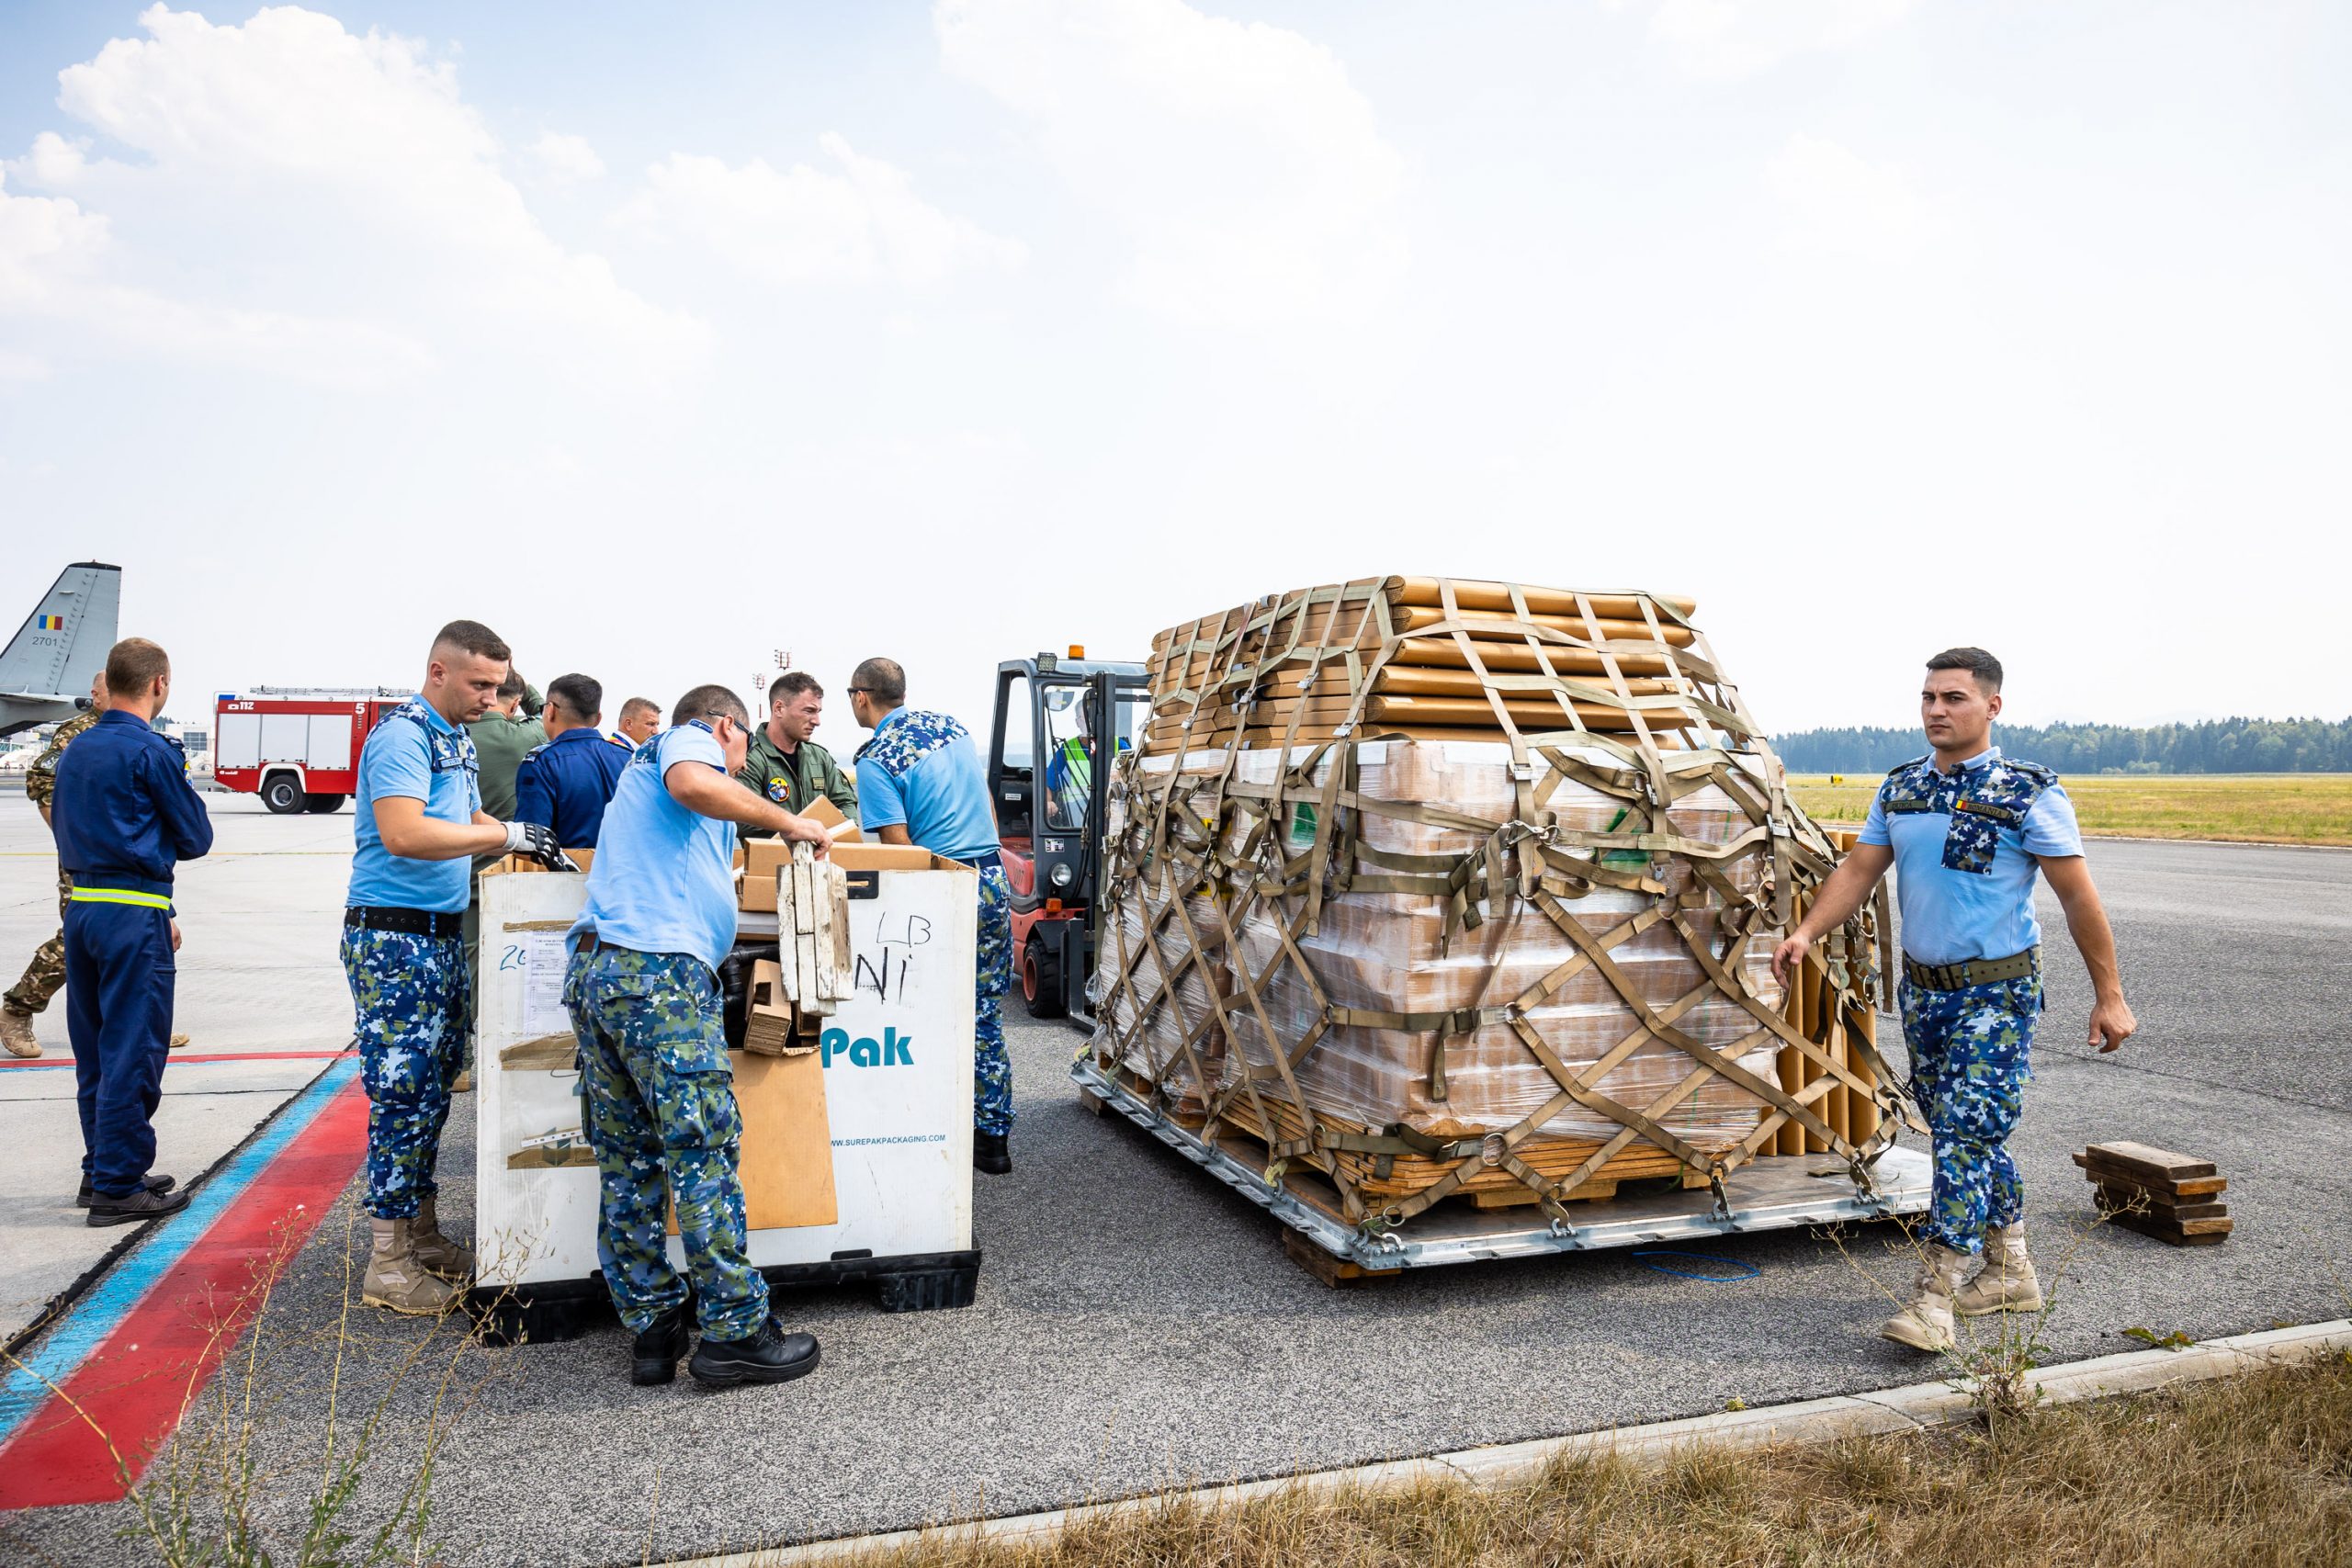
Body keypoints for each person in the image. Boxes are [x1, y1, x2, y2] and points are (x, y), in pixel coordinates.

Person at [1772, 648, 2137, 1354]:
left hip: (1997, 992)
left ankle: (1935, 1292)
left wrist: (2110, 995)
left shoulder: (2029, 792)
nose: (1937, 709)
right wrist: (1807, 932)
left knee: (1967, 1131)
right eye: (1929, 697)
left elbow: (2077, 898)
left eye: (1954, 698)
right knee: (1962, 1133)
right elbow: (1859, 867)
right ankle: (2011, 1268)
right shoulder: (1901, 787)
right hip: (1926, 996)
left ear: (1992, 707)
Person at [565, 682, 831, 1389]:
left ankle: (653, 1330)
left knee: (629, 1159)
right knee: (702, 1152)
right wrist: (790, 823)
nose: (737, 770)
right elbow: (694, 781)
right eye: (738, 753)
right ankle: (735, 1332)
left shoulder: (638, 776)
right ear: (726, 727)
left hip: (603, 976)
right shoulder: (689, 745)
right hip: (658, 982)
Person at [345, 621, 565, 1314]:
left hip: (438, 935)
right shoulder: (403, 736)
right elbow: (404, 832)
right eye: (479, 684)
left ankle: (420, 1232)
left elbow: (461, 814)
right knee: (403, 1095)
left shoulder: (454, 737)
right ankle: (387, 1260)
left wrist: (511, 843)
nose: (491, 697)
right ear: (438, 670)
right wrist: (503, 831)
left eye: (497, 686)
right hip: (394, 935)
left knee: (437, 1089)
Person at [51, 638, 213, 1224]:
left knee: (94, 1048)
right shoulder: (151, 751)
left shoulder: (76, 749)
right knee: (134, 1047)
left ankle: (102, 1169)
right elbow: (196, 838)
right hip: (131, 915)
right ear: (159, 685)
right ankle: (120, 1186)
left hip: (83, 909)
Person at [847, 657, 1013, 1175]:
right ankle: (993, 1138)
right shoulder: (951, 727)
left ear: (861, 697)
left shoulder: (876, 759)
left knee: (919, 1009)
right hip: (990, 876)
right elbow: (985, 799)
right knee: (984, 1010)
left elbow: (901, 852)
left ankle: (928, 1127)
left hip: (941, 886)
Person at [4, 672, 105, 1059]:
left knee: (133, 939)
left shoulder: (134, 730)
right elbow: (42, 780)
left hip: (122, 855)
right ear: (96, 695)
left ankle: (135, 1025)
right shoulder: (77, 731)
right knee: (77, 939)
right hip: (84, 855)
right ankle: (16, 1010)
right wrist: (68, 836)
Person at [514, 672, 628, 849]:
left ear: (550, 710)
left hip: (564, 873)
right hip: (622, 872)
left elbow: (531, 843)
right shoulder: (629, 758)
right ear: (598, 719)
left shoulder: (541, 763)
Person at [736, 671, 858, 829]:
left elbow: (845, 802)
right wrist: (800, 829)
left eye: (818, 712)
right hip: (771, 852)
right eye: (808, 711)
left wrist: (835, 830)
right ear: (779, 709)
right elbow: (743, 818)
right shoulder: (749, 758)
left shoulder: (819, 758)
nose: (816, 721)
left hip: (820, 851)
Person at [467, 669, 546, 824]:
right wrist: (521, 682)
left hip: (452, 840)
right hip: (506, 841)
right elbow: (549, 717)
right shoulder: (525, 735)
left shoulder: (451, 732)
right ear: (516, 704)